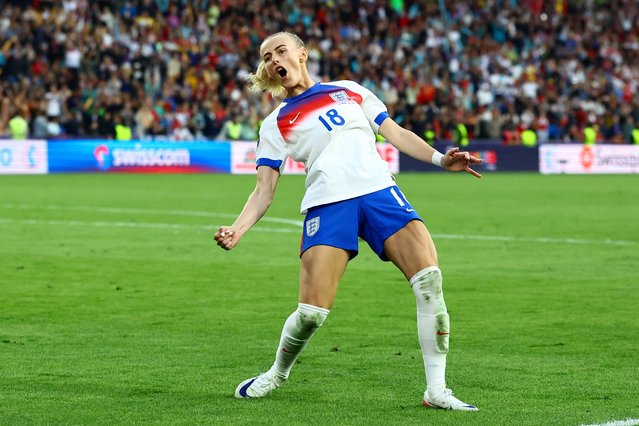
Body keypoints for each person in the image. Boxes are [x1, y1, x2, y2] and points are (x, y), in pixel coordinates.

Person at [214, 32, 482, 411]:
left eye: (281, 50)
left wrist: (441, 160)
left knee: (429, 282)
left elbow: (395, 133)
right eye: (267, 55)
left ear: (301, 54)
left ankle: (436, 390)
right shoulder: (275, 124)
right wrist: (237, 229)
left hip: (379, 192)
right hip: (328, 203)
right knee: (310, 314)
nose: (275, 58)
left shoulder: (350, 90)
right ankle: (278, 372)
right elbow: (264, 189)